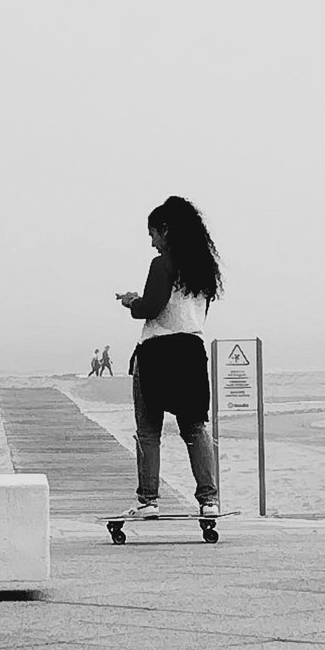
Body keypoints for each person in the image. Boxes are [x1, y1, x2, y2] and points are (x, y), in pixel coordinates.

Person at [116, 195, 222, 519]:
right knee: (195, 428)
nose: (151, 243)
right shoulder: (205, 269)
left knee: (149, 431)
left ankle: (148, 501)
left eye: (152, 234)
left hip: (158, 353)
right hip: (191, 352)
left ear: (165, 229)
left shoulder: (162, 264)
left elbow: (152, 308)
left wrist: (132, 302)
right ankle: (209, 499)